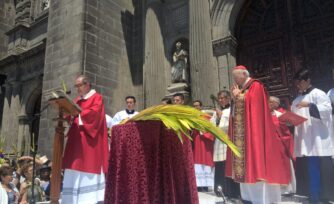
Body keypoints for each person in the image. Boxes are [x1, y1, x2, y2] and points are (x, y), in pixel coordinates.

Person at [225, 65, 290, 204]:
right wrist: (236, 98)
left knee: (256, 164)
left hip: (254, 135)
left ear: (244, 74)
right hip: (243, 136)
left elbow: (255, 107)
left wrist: (239, 96)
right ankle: (248, 199)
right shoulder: (243, 89)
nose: (235, 80)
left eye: (236, 77)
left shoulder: (256, 86)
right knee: (245, 167)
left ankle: (261, 200)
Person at [61, 75, 109, 204]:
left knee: (86, 166)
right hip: (75, 140)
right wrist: (65, 111)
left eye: (79, 86)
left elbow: (95, 114)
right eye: (76, 86)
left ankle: (87, 200)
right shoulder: (77, 99)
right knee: (73, 167)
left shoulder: (96, 97)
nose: (77, 89)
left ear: (87, 84)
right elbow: (71, 114)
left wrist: (78, 113)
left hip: (88, 142)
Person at [291, 69, 334, 203]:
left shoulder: (319, 94)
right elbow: (294, 116)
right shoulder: (297, 100)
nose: (298, 86)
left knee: (320, 167)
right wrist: (289, 120)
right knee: (307, 168)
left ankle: (323, 197)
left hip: (318, 139)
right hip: (304, 138)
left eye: (300, 83)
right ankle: (310, 195)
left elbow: (327, 111)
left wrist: (310, 105)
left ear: (307, 81)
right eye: (296, 84)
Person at [210, 90, 240, 198]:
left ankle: (231, 191)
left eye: (223, 98)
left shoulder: (233, 109)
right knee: (220, 166)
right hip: (219, 142)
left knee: (229, 165)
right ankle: (220, 189)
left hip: (229, 141)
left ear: (228, 98)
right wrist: (217, 117)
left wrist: (222, 117)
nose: (221, 100)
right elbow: (211, 126)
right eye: (220, 98)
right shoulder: (216, 112)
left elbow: (234, 125)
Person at [269, 96, 296, 194]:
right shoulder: (266, 114)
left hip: (282, 143)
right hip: (271, 145)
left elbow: (289, 126)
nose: (269, 104)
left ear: (277, 104)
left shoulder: (282, 113)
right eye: (268, 102)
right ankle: (275, 187)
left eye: (272, 102)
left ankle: (286, 188)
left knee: (284, 165)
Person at [192, 100, 214, 191]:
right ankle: (199, 185)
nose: (196, 107)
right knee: (197, 162)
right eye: (194, 106)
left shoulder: (206, 116)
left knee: (206, 160)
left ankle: (206, 185)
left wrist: (201, 129)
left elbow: (211, 128)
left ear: (201, 106)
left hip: (205, 142)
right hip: (196, 140)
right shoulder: (192, 117)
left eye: (197, 105)